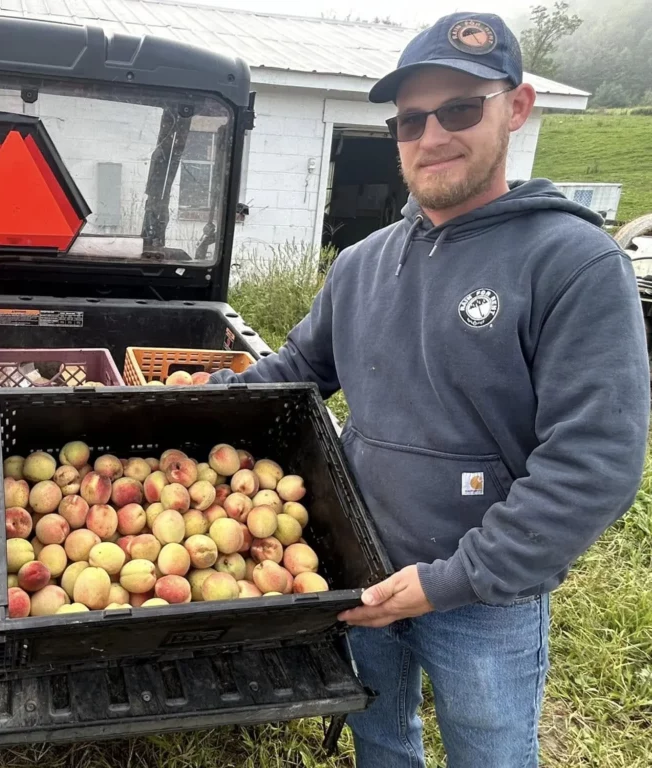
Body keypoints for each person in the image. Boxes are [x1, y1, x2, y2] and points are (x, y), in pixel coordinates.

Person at [211, 12, 649, 767]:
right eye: (411, 120)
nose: (432, 135)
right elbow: (296, 373)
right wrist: (194, 402)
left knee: (490, 752)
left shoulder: (572, 263)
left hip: (483, 596)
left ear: (517, 106)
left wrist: (455, 579)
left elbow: (595, 463)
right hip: (357, 568)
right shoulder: (362, 263)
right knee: (380, 736)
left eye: (459, 108)